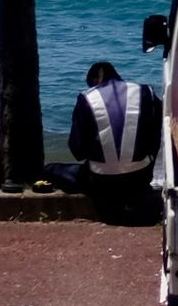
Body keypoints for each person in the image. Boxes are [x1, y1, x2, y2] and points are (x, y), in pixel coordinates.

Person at [49, 59, 164, 221]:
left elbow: (78, 151)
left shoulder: (86, 98)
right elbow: (155, 140)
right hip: (139, 178)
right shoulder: (147, 93)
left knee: (52, 170)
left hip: (100, 181)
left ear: (96, 80)